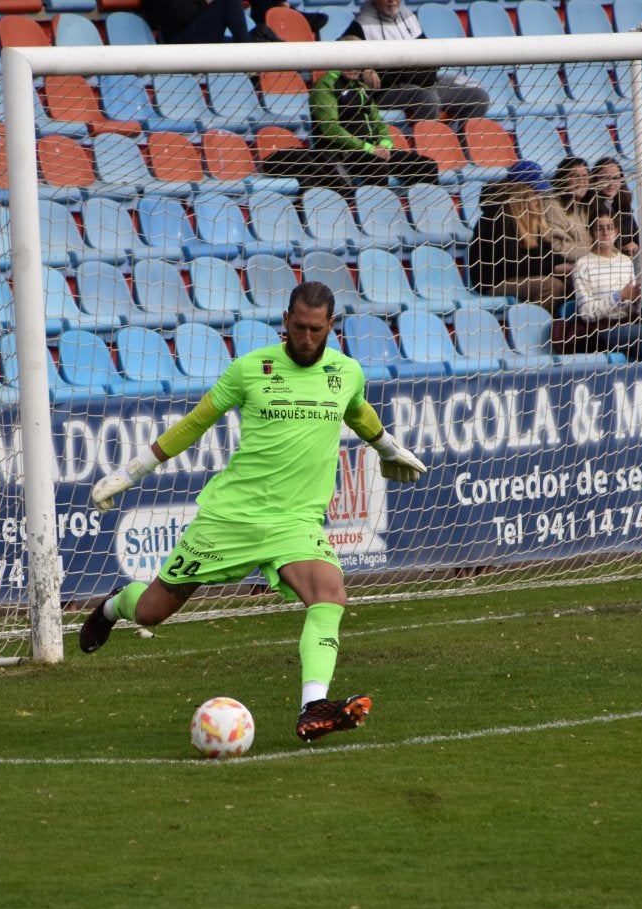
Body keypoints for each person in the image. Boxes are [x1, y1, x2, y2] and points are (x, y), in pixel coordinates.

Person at [79, 281, 428, 743]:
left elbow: (357, 411)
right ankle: (112, 605)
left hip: (295, 522)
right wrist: (131, 472)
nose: (307, 338)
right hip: (231, 518)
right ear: (285, 321)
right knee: (150, 612)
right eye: (299, 327)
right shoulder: (250, 370)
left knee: (330, 594)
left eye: (316, 330)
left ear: (330, 327)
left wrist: (387, 448)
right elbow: (196, 422)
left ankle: (313, 705)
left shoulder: (346, 372)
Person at [300, 41, 440, 193]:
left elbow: (378, 122)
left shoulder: (362, 88)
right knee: (378, 167)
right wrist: (369, 148)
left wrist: (386, 144)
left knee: (426, 165)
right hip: (343, 153)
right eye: (349, 60)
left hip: (373, 150)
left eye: (358, 61)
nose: (354, 67)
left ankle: (424, 212)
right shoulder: (325, 86)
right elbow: (330, 129)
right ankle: (379, 214)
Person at [341, 0, 490, 127]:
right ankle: (426, 156)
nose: (392, 0)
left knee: (478, 97)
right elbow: (343, 50)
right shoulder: (361, 25)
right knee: (428, 99)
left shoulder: (407, 16)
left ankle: (463, 154)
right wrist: (364, 68)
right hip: (386, 92)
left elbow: (429, 57)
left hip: (425, 83)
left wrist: (414, 71)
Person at [568, 212, 642, 361]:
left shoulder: (625, 261)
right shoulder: (582, 265)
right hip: (599, 330)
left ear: (616, 231)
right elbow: (586, 313)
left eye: (610, 227)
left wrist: (638, 299)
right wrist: (619, 297)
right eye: (599, 228)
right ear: (592, 233)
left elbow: (632, 307)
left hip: (627, 324)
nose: (605, 232)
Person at [466, 160, 572, 312]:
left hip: (523, 276)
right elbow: (510, 264)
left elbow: (546, 253)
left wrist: (569, 265)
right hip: (495, 282)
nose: (539, 198)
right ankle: (532, 330)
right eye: (535, 192)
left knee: (576, 281)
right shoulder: (497, 218)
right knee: (551, 286)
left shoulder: (530, 217)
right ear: (522, 192)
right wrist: (554, 268)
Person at [143, 0, 275, 43]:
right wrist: (206, 2)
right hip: (179, 42)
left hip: (199, 35)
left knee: (261, 34)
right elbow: (181, 17)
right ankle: (248, 55)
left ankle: (293, 67)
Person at [546, 156, 594, 265]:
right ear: (563, 179)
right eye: (574, 176)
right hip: (566, 267)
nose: (581, 181)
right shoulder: (552, 206)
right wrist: (593, 249)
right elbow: (557, 247)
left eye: (584, 176)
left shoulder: (587, 204)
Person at [590, 157, 638, 255]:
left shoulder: (624, 205)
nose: (611, 183)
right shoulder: (590, 205)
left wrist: (635, 244)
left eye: (615, 178)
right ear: (595, 179)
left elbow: (636, 234)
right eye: (605, 178)